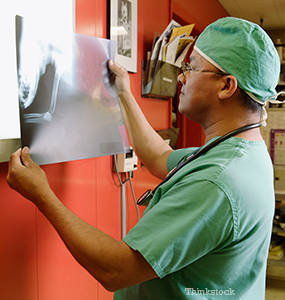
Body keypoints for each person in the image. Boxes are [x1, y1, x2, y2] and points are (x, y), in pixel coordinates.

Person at [6, 17, 284, 299]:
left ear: (226, 86)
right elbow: (158, 156)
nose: (181, 76)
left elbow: (115, 270)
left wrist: (42, 194)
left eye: (191, 67)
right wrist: (125, 93)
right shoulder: (240, 152)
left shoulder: (218, 180)